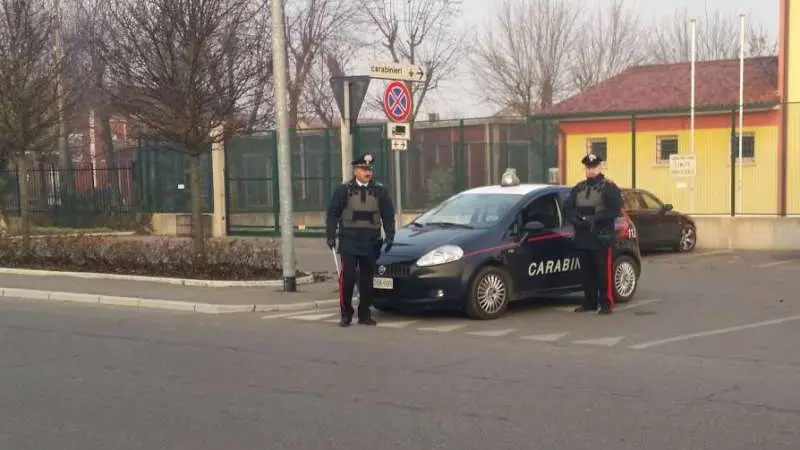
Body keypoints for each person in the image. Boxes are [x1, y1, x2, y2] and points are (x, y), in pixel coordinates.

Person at [326, 153, 395, 327]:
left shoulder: (380, 190)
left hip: (371, 240)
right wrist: (330, 235)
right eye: (364, 169)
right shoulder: (343, 190)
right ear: (355, 170)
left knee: (366, 279)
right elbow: (333, 213)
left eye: (370, 169)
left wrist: (390, 234)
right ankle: (346, 313)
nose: (368, 172)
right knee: (348, 277)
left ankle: (364, 314)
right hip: (349, 239)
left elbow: (388, 215)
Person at [563, 153, 623, 315]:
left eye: (594, 167)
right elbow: (568, 207)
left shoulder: (609, 187)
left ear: (600, 167)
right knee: (586, 273)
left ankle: (606, 303)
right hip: (583, 237)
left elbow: (615, 209)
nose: (591, 171)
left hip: (601, 237)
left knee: (603, 273)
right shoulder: (579, 187)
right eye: (588, 168)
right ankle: (589, 302)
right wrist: (577, 220)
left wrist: (596, 218)